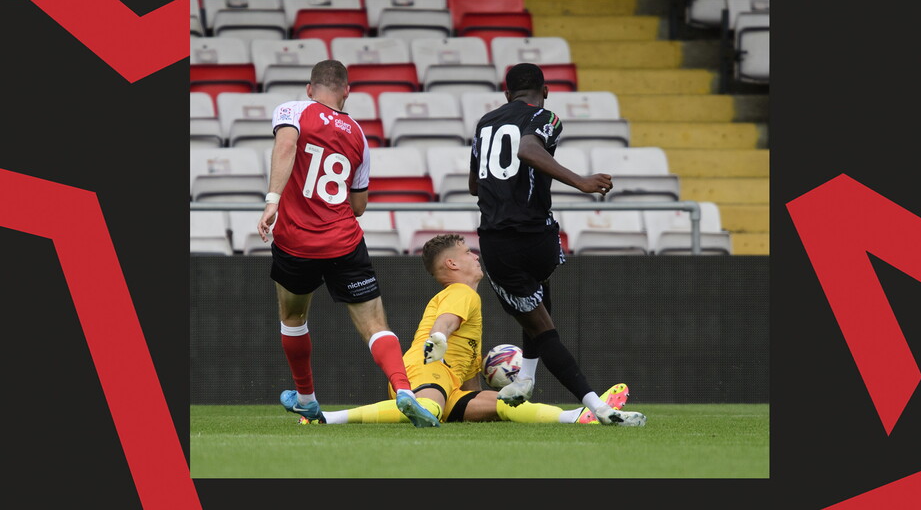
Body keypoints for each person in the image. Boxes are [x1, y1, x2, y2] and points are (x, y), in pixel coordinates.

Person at [256, 59, 439, 428]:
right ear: (346, 92)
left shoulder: (293, 109)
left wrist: (273, 199)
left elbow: (287, 144)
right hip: (344, 241)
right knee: (375, 324)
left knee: (293, 318)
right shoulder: (357, 133)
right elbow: (358, 206)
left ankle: (307, 399)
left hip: (296, 242)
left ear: (310, 89)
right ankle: (404, 389)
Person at [467, 62, 647, 426]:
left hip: (500, 241)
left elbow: (479, 181)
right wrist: (580, 182)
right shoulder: (546, 116)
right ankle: (526, 379)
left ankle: (598, 409)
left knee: (541, 329)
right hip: (541, 238)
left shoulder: (486, 122)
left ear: (506, 95)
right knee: (538, 300)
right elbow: (529, 149)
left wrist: (579, 181)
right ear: (545, 90)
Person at [299, 233, 631, 425]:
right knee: (428, 407)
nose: (476, 256)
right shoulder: (460, 293)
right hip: (425, 371)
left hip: (450, 384)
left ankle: (575, 417)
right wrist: (439, 339)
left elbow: (469, 378)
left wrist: (486, 385)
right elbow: (446, 323)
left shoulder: (467, 298)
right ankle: (327, 417)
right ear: (452, 264)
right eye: (468, 252)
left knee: (505, 404)